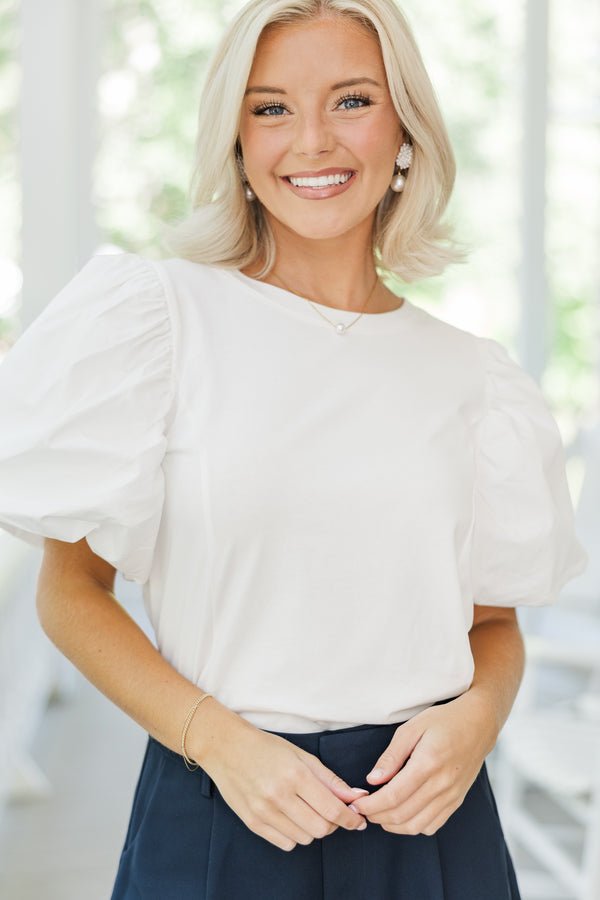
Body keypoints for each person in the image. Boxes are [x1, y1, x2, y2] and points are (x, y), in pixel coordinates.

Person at [0, 0, 589, 897]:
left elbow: (494, 625)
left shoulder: (471, 376)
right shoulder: (159, 322)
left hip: (429, 825)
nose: (311, 140)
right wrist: (219, 745)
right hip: (223, 804)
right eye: (270, 108)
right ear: (236, 142)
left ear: (406, 129)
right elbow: (71, 592)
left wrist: (476, 721)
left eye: (351, 100)